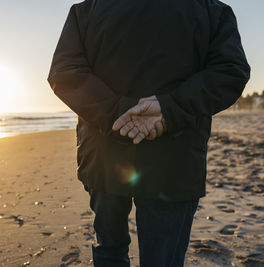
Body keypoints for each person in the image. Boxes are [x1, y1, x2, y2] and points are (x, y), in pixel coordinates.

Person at [47, 0, 250, 266]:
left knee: (109, 250)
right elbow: (229, 72)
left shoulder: (88, 10)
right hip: (174, 159)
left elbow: (65, 73)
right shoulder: (210, 10)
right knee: (160, 259)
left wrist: (124, 113)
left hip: (108, 155)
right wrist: (167, 110)